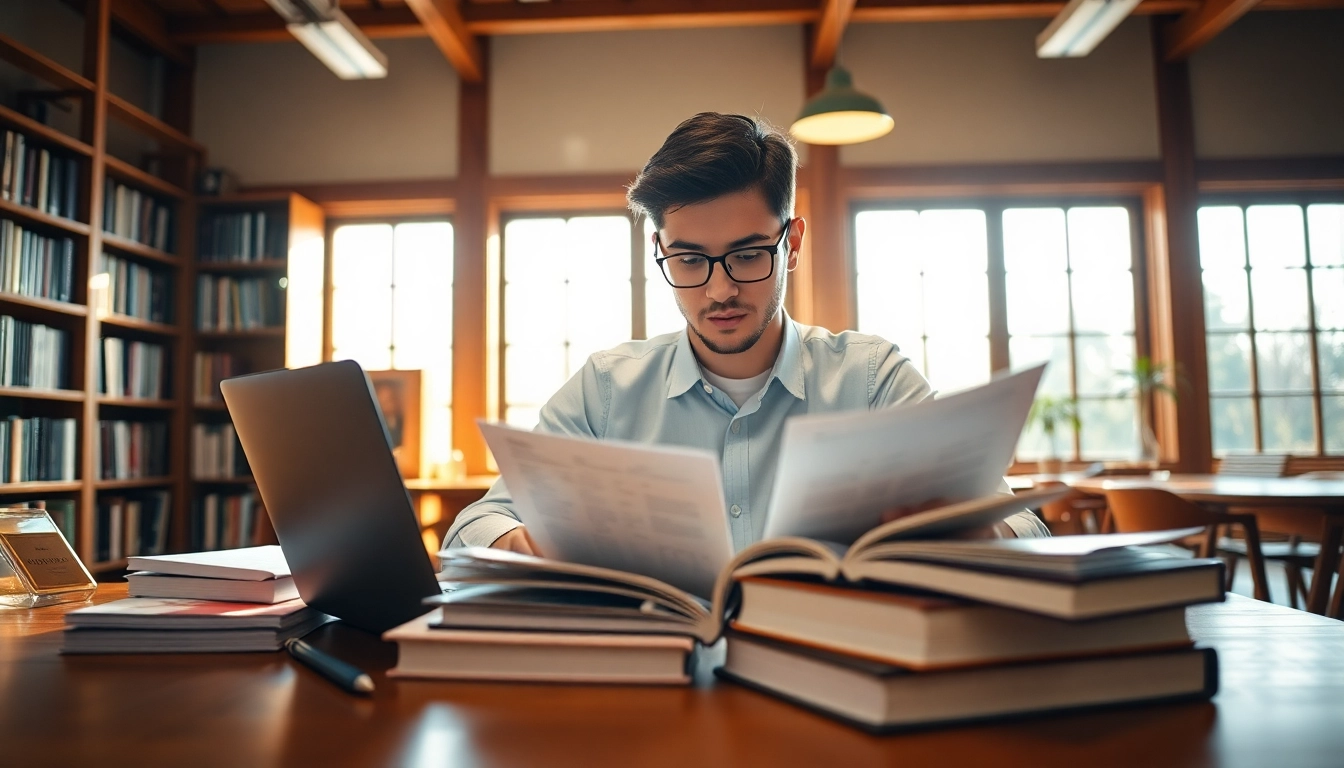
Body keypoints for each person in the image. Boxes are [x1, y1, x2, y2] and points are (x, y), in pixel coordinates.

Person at [445, 112, 1048, 555]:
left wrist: (980, 527)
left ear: (794, 243)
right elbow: (475, 525)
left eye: (747, 254)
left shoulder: (870, 380)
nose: (719, 291)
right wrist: (530, 546)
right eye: (688, 260)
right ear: (658, 250)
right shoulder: (607, 391)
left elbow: (1024, 527)